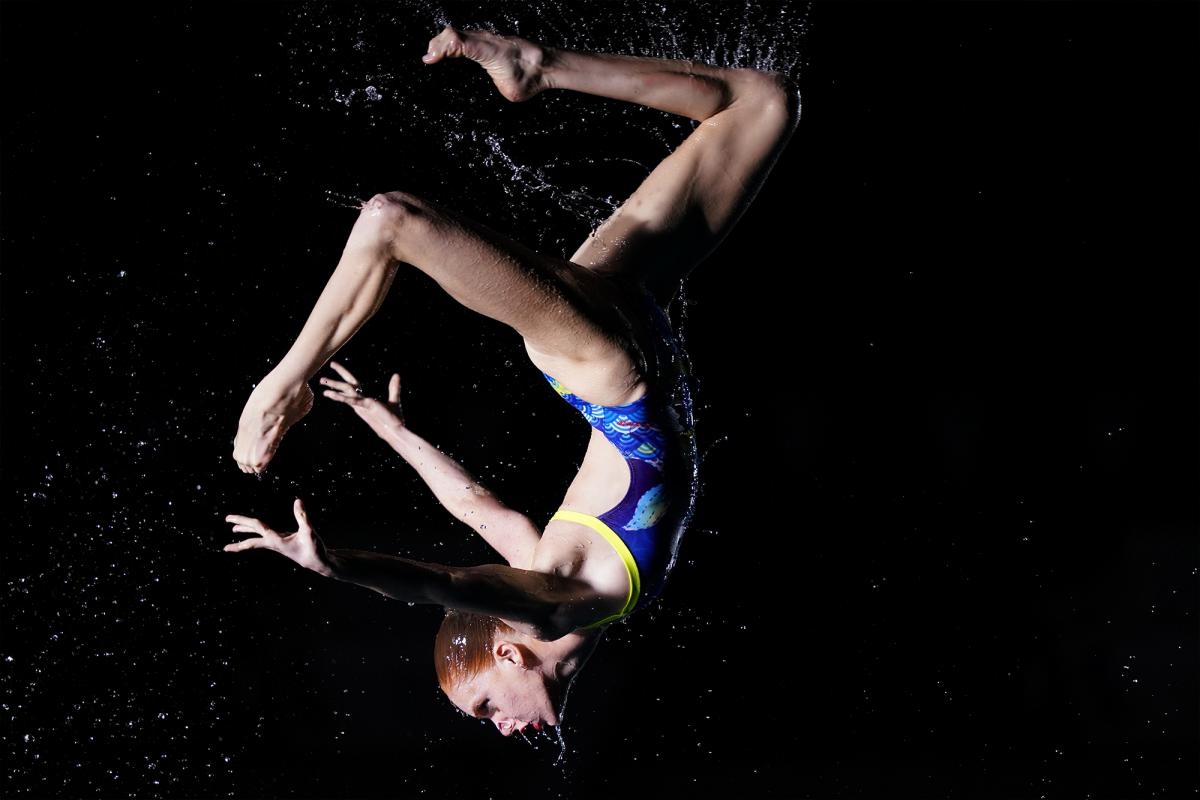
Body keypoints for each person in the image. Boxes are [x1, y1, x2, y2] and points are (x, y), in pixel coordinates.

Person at [224, 25, 797, 737]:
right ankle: (539, 67)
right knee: (764, 101)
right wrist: (394, 429)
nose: (500, 727)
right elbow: (472, 505)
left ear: (508, 652)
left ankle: (282, 383)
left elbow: (446, 583)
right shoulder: (553, 575)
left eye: (486, 703)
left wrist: (339, 568)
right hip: (632, 313)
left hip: (606, 359)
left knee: (393, 221)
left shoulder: (560, 605)